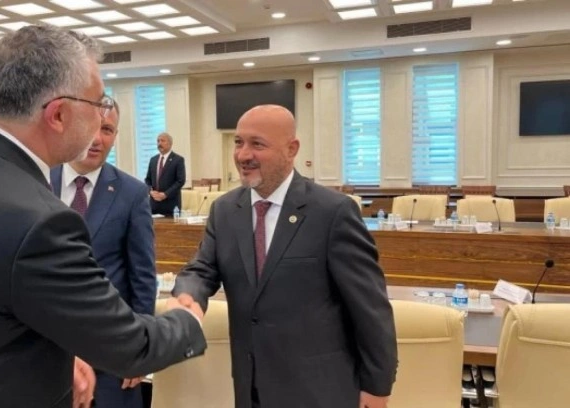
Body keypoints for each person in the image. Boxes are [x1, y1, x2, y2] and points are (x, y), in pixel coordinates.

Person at [0, 25, 205, 408]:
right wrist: (188, 321)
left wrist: (57, 354)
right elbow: (129, 346)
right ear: (58, 114)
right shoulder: (39, 221)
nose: (102, 117)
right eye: (98, 102)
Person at [172, 105, 397, 408]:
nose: (243, 155)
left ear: (291, 149)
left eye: (257, 144)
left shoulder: (332, 212)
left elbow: (370, 308)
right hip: (251, 388)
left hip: (319, 391)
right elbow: (202, 269)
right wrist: (188, 295)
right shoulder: (224, 210)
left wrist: (377, 386)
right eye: (239, 142)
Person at [50, 100, 156, 408]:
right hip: (44, 350)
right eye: (89, 127)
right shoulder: (35, 181)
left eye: (106, 129)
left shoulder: (132, 193)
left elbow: (142, 277)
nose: (97, 138)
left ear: (115, 135)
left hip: (112, 356)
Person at [144, 132, 185, 216]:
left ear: (170, 143)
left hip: (170, 205)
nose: (159, 143)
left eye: (162, 141)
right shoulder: (153, 160)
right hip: (154, 205)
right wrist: (150, 191)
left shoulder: (178, 160)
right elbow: (148, 180)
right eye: (158, 141)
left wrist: (165, 194)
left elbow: (180, 181)